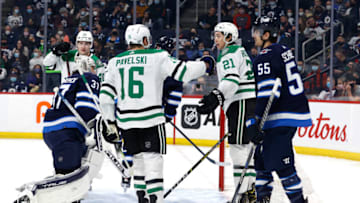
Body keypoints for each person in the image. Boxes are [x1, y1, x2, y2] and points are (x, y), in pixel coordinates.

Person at [99, 24, 215, 203]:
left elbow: (105, 97)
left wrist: (110, 122)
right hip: (151, 120)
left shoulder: (115, 62)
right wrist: (205, 64)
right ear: (146, 40)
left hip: (126, 122)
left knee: (137, 162)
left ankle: (141, 198)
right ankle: (155, 199)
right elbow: (184, 72)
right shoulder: (158, 57)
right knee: (153, 163)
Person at [15, 59, 104, 203]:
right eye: (94, 68)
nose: (96, 71)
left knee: (65, 175)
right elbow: (87, 109)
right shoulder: (88, 78)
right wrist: (101, 123)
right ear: (89, 67)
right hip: (67, 131)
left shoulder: (68, 80)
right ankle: (32, 195)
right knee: (69, 181)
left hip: (53, 132)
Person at [248, 16, 312, 203]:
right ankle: (263, 199)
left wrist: (255, 120)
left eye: (257, 31)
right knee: (261, 161)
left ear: (266, 34)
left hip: (281, 116)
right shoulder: (283, 50)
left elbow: (268, 92)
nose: (253, 35)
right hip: (288, 112)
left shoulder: (265, 56)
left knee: (281, 163)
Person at [196, 22, 257, 202]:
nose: (216, 39)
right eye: (215, 35)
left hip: (240, 103)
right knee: (245, 148)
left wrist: (216, 97)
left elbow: (231, 81)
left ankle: (242, 194)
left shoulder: (229, 53)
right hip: (247, 102)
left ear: (229, 37)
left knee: (238, 149)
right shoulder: (239, 51)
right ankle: (249, 191)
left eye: (219, 35)